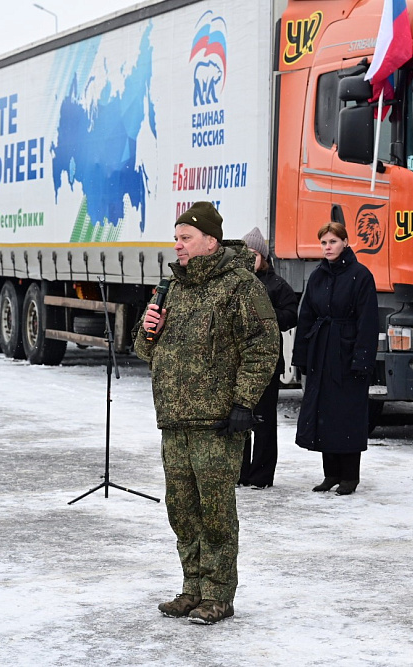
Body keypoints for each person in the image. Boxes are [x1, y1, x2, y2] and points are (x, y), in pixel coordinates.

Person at [133, 201, 278, 625]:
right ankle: (192, 588)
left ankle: (218, 595)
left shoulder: (240, 286)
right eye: (176, 238)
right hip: (175, 419)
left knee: (215, 511)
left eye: (185, 238)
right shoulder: (172, 288)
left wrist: (243, 402)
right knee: (181, 509)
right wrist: (148, 330)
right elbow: (145, 350)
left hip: (216, 421)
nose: (177, 246)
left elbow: (263, 347)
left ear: (210, 241)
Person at [291, 222, 379, 496]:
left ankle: (350, 476)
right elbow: (306, 316)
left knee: (347, 414)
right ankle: (330, 474)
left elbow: (367, 321)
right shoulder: (318, 275)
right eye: (324, 243)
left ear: (345, 242)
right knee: (323, 413)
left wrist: (362, 360)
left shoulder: (361, 275)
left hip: (347, 351)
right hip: (322, 350)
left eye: (332, 242)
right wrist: (302, 356)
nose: (328, 247)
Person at [238, 226, 298, 489]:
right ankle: (238, 473)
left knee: (263, 421)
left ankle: (261, 476)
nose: (250, 259)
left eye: (254, 254)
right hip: (238, 363)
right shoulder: (235, 283)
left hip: (267, 365)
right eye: (245, 254)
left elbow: (291, 315)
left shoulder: (276, 285)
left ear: (263, 257)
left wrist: (266, 316)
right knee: (238, 420)